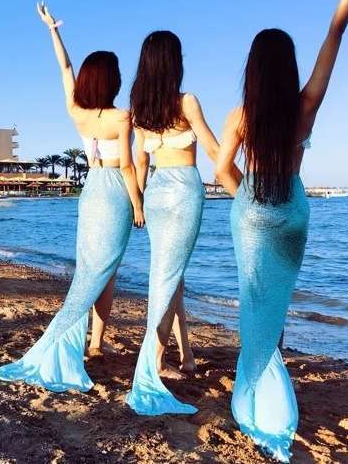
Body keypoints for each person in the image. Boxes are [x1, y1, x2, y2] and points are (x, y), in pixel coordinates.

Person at [215, 0, 348, 460]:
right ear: (289, 69)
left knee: (254, 299)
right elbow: (335, 33)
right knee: (276, 303)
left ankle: (255, 392)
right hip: (291, 210)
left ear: (252, 70)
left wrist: (249, 201)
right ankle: (269, 382)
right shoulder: (305, 106)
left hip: (252, 208)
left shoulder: (239, 116)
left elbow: (220, 170)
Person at [0, 2, 144, 391]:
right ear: (112, 81)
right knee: (106, 270)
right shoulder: (121, 117)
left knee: (92, 267)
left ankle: (94, 343)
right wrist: (139, 205)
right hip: (114, 190)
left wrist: (53, 31)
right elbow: (128, 166)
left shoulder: (77, 111)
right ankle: (91, 341)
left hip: (91, 190)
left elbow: (65, 69)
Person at [126, 30, 240, 415]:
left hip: (156, 192)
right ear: (174, 62)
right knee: (169, 275)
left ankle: (186, 353)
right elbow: (210, 148)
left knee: (169, 274)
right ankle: (155, 362)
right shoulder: (186, 101)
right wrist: (242, 184)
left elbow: (141, 162)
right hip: (185, 191)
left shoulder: (140, 110)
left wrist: (138, 203)